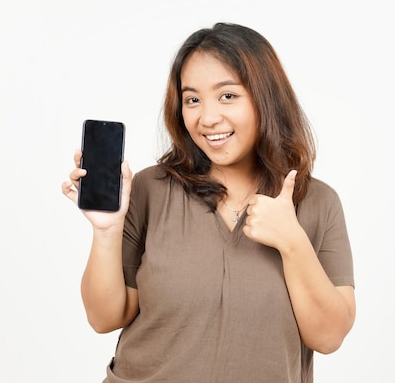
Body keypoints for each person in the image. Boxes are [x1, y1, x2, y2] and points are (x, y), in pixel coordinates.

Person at [62, 22, 356, 383]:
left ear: (266, 98)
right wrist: (106, 231)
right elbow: (104, 317)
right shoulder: (151, 189)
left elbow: (328, 337)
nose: (208, 117)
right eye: (192, 99)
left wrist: (292, 243)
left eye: (228, 96)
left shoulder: (318, 202)